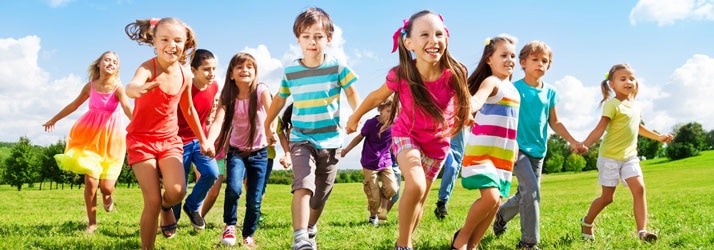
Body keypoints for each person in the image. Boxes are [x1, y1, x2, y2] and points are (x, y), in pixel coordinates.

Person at [346, 10, 470, 250]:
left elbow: (465, 100)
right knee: (415, 184)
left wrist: (467, 117)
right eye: (424, 34)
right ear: (408, 42)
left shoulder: (455, 73)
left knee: (419, 201)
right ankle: (403, 245)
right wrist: (355, 116)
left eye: (439, 34)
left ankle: (404, 240)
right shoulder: (402, 73)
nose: (433, 39)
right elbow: (375, 97)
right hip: (407, 136)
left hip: (438, 144)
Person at [264, 7, 361, 250]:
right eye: (306, 36)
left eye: (318, 36)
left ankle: (310, 228)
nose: (312, 41)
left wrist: (356, 115)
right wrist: (267, 122)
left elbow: (351, 91)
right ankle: (300, 239)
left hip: (330, 141)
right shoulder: (291, 72)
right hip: (301, 138)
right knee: (303, 184)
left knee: (320, 195)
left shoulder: (338, 67)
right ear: (298, 39)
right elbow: (279, 100)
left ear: (329, 39)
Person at [124, 17, 213, 250]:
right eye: (164, 39)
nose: (171, 44)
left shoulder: (185, 75)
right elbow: (131, 86)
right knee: (151, 200)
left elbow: (189, 110)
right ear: (153, 41)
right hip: (141, 140)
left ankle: (167, 208)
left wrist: (203, 139)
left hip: (170, 140)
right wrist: (137, 89)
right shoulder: (147, 68)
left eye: (177, 40)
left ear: (185, 44)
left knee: (177, 192)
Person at [492, 40, 586, 249]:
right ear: (523, 63)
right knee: (532, 191)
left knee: (526, 193)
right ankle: (528, 242)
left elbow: (555, 121)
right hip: (517, 149)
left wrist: (573, 141)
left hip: (539, 151)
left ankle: (501, 216)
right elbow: (504, 119)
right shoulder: (514, 89)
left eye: (544, 61)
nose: (540, 64)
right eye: (535, 60)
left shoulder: (550, 92)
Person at [579, 63, 672, 243]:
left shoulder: (635, 106)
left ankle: (642, 232)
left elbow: (638, 127)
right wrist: (585, 144)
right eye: (623, 79)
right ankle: (587, 222)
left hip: (630, 157)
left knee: (639, 189)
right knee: (607, 198)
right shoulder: (611, 105)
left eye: (631, 78)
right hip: (610, 158)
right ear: (612, 84)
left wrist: (659, 137)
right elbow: (600, 129)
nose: (628, 81)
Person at [43, 51, 132, 233]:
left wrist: (139, 125)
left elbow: (126, 107)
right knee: (91, 181)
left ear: (117, 68)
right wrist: (54, 119)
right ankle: (92, 223)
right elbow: (74, 105)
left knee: (107, 187)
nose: (111, 63)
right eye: (107, 60)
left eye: (115, 62)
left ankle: (107, 197)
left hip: (112, 140)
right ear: (98, 64)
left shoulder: (118, 88)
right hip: (89, 138)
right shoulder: (90, 86)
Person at [452, 35, 520, 250]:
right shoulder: (492, 82)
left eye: (512, 56)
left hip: (503, 155)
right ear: (490, 59)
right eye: (504, 55)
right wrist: (468, 107)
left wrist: (515, 144)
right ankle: (461, 239)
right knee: (490, 197)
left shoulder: (515, 91)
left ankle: (473, 245)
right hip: (482, 152)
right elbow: (478, 99)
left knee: (496, 202)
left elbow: (510, 122)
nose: (509, 60)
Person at [207, 52, 273, 248]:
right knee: (234, 188)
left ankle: (248, 235)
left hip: (260, 153)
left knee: (254, 198)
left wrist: (271, 131)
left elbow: (272, 114)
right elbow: (218, 121)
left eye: (249, 67)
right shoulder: (227, 96)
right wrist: (210, 141)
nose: (245, 70)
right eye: (239, 67)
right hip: (236, 152)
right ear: (231, 74)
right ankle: (230, 225)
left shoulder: (261, 91)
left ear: (255, 72)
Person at [171, 49, 220, 231]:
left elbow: (207, 112)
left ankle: (192, 206)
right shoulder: (184, 87)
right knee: (179, 186)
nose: (212, 73)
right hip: (178, 142)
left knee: (211, 173)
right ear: (193, 70)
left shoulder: (214, 87)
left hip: (198, 140)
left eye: (214, 68)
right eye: (206, 69)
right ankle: (172, 221)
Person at [341, 97, 398, 227]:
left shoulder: (395, 124)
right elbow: (359, 137)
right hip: (369, 162)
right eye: (388, 111)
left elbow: (396, 142)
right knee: (373, 193)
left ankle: (382, 209)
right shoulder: (371, 124)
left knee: (392, 188)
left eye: (393, 111)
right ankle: (373, 217)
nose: (391, 114)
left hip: (385, 161)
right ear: (380, 110)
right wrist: (346, 150)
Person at [434, 130, 465, 220]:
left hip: (459, 149)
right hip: (445, 142)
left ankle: (442, 203)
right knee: (451, 166)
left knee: (453, 170)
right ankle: (442, 202)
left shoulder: (465, 115)